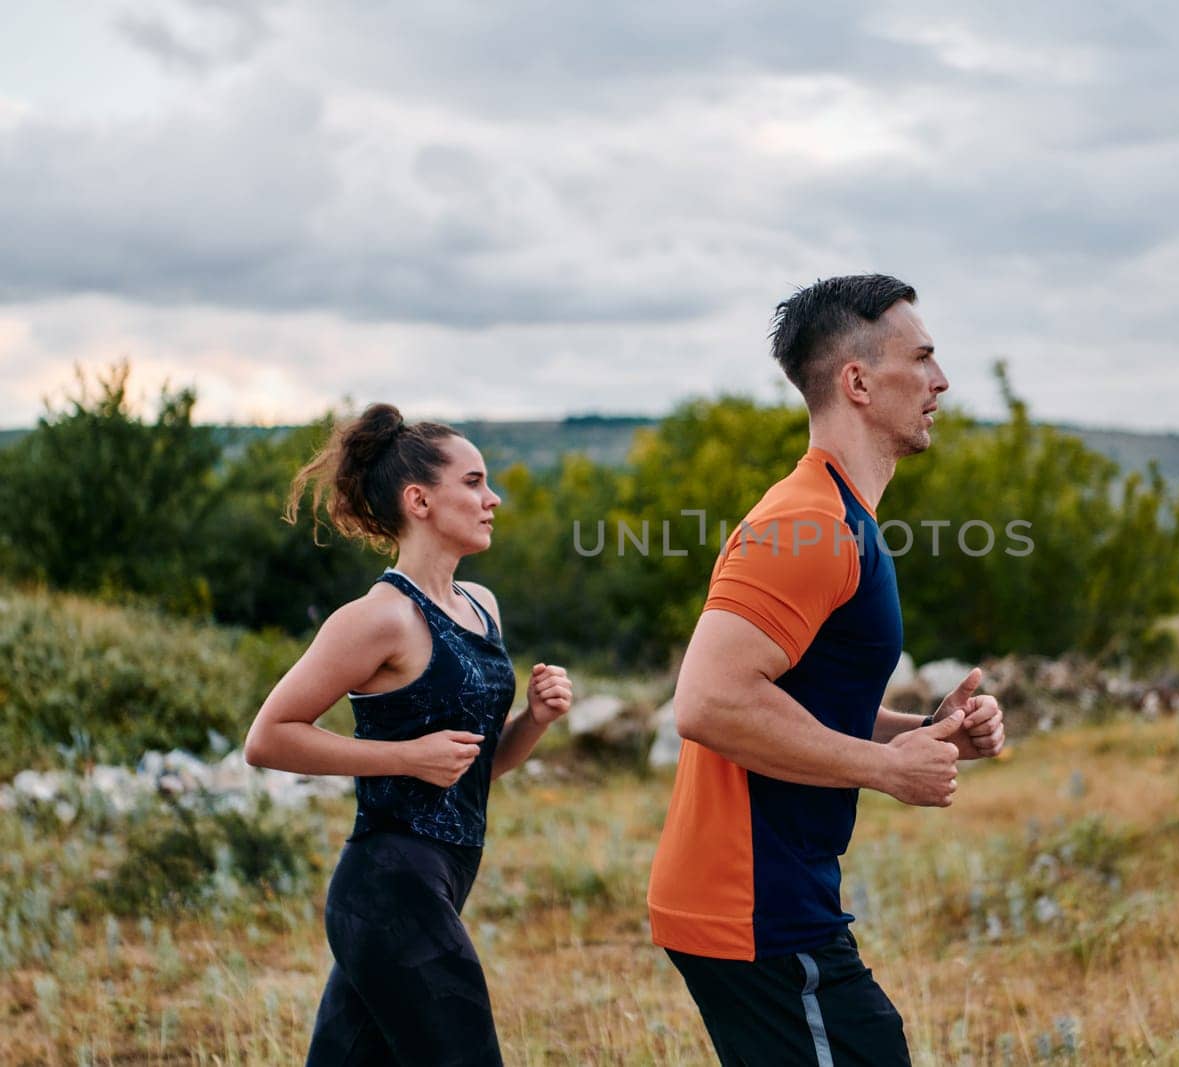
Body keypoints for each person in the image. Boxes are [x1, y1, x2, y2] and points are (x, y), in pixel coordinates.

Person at [647, 274, 1007, 1066]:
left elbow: (794, 696)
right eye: (923, 358)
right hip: (752, 899)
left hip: (775, 892)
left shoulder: (840, 515)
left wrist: (927, 733)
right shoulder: (807, 521)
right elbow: (707, 702)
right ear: (858, 381)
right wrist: (883, 767)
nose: (942, 381)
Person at [242, 404, 572, 1067]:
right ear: (419, 500)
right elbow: (269, 737)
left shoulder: (482, 606)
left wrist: (533, 719)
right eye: (474, 482)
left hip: (443, 879)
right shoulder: (378, 618)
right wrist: (403, 756)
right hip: (388, 886)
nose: (493, 497)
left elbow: (471, 768)